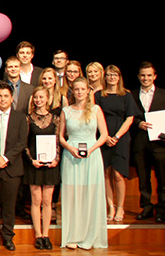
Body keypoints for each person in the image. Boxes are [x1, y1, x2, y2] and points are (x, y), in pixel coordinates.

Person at [59, 76, 109, 250]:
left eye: (83, 89)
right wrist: (70, 148)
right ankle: (73, 235)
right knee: (72, 195)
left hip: (92, 154)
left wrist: (92, 148)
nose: (80, 92)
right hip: (71, 155)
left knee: (91, 194)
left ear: (88, 91)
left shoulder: (96, 109)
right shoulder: (66, 110)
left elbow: (104, 135)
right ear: (73, 91)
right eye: (77, 89)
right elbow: (61, 137)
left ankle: (90, 234)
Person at [131, 62, 165, 223]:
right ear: (138, 77)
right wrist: (138, 123)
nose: (146, 78)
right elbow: (130, 117)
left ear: (155, 76)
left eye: (149, 75)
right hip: (140, 143)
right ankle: (147, 207)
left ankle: (161, 209)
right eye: (143, 75)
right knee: (143, 178)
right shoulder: (132, 95)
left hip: (160, 144)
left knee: (162, 178)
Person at [0, 84, 28, 251]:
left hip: (12, 168)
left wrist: (6, 158)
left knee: (10, 206)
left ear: (12, 98)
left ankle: (8, 237)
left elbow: (21, 142)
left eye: (6, 96)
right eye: (0, 96)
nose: (2, 99)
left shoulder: (20, 117)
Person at [95, 64, 139, 222]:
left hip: (121, 138)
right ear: (105, 77)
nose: (112, 78)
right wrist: (105, 136)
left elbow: (130, 118)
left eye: (115, 75)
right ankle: (110, 206)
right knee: (106, 173)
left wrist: (117, 136)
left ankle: (120, 207)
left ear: (119, 77)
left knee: (118, 174)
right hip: (104, 136)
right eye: (109, 75)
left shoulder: (126, 95)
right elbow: (96, 116)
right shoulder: (100, 95)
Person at [25, 86, 61, 250]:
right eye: (36, 97)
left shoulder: (55, 118)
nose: (39, 100)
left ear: (47, 99)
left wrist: (56, 159)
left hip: (51, 165)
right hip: (34, 164)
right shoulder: (29, 119)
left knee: (47, 200)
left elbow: (58, 141)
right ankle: (38, 235)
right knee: (36, 200)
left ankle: (46, 234)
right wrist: (31, 160)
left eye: (41, 97)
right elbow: (24, 143)